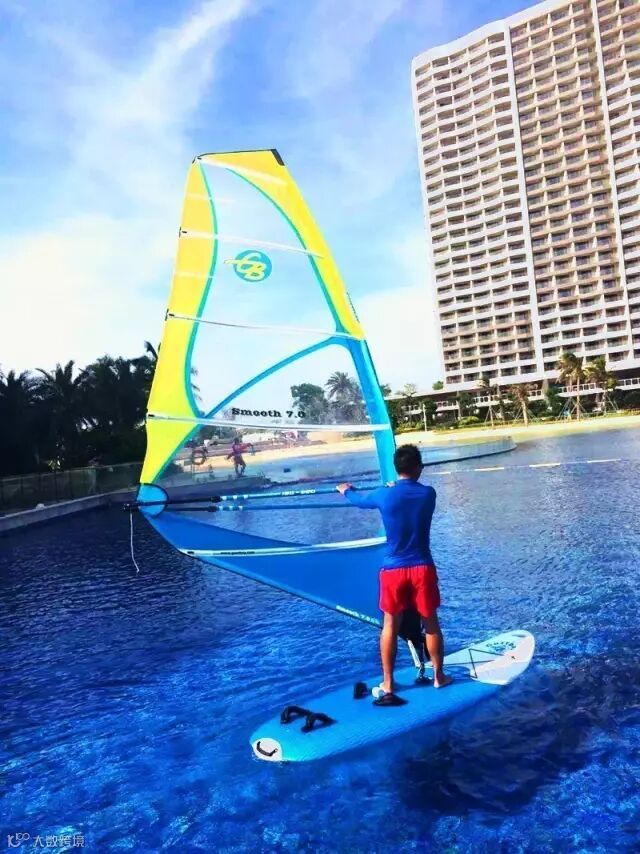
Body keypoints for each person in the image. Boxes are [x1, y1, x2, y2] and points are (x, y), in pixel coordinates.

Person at [337, 444, 452, 706]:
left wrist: (346, 490)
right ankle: (439, 676)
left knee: (390, 624)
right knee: (431, 623)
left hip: (393, 570)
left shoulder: (383, 494)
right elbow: (411, 491)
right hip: (422, 568)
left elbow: (358, 501)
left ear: (396, 468)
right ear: (419, 468)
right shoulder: (428, 494)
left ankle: (388, 682)